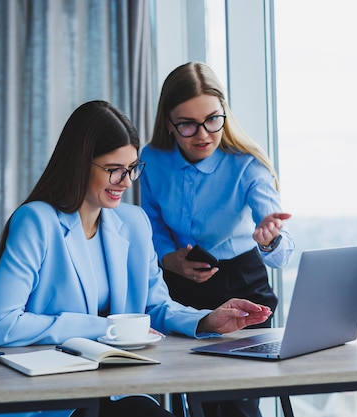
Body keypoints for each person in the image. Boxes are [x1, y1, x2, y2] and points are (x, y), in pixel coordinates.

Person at [0, 100, 272, 417]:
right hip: (53, 398)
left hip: (119, 390)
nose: (126, 181)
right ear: (80, 163)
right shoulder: (36, 221)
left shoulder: (133, 223)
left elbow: (155, 308)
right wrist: (101, 328)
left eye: (132, 168)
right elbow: (0, 324)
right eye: (113, 170)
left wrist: (205, 319)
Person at [140, 62, 295, 417]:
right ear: (169, 123)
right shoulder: (151, 159)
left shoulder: (247, 164)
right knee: (189, 401)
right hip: (178, 289)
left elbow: (281, 251)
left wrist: (269, 237)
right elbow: (150, 221)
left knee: (237, 405)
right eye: (187, 124)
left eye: (213, 118)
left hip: (242, 286)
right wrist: (167, 257)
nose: (203, 133)